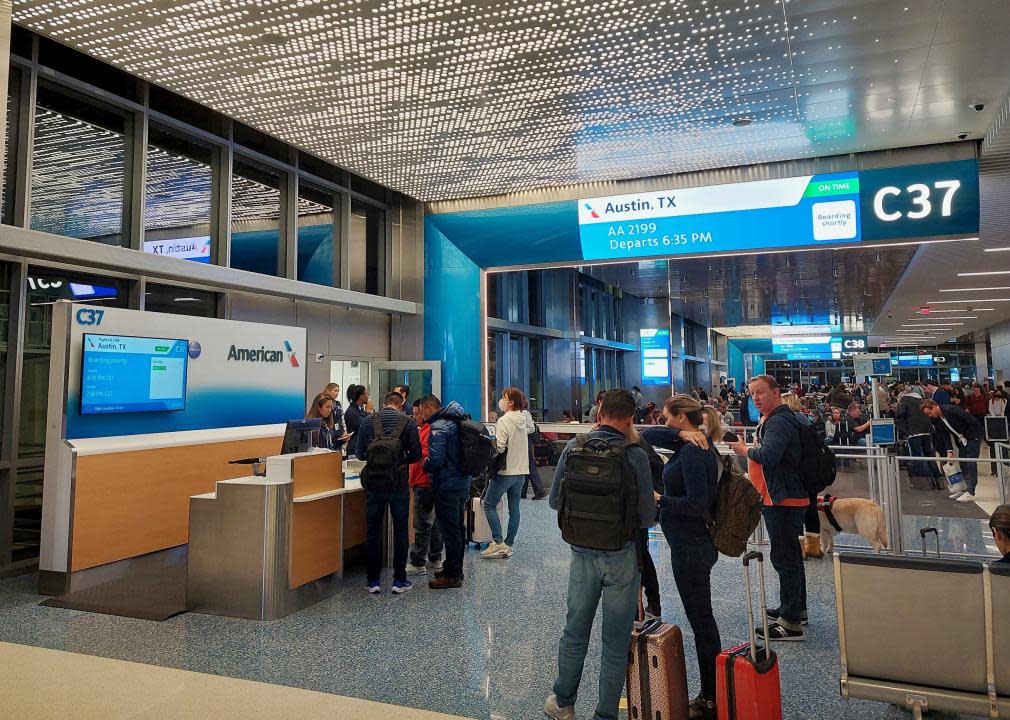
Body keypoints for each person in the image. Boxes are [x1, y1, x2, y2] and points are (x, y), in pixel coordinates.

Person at [545, 390, 657, 720]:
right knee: (615, 641)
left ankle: (563, 702)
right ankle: (605, 714)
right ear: (629, 419)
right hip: (621, 556)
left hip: (581, 553)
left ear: (600, 412)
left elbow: (554, 502)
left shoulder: (573, 446)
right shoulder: (634, 455)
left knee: (575, 631)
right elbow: (647, 517)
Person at [650, 395, 724, 719]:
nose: (664, 424)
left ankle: (710, 695)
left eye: (668, 418)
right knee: (701, 619)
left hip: (692, 545)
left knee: (702, 621)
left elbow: (697, 504)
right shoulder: (689, 443)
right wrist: (679, 434)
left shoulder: (695, 453)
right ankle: (713, 690)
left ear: (681, 416)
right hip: (687, 544)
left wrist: (661, 500)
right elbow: (646, 436)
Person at [730, 375, 808, 641]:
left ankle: (790, 623)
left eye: (760, 393)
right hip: (783, 496)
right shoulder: (778, 419)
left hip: (782, 499)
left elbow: (769, 456)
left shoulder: (779, 421)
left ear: (776, 392)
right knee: (791, 558)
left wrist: (743, 450)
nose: (755, 398)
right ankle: (796, 609)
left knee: (784, 559)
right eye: (752, 394)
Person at [354, 392, 422, 594]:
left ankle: (373, 580)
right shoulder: (408, 423)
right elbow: (416, 455)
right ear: (401, 405)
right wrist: (399, 461)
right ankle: (399, 580)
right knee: (401, 530)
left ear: (384, 404)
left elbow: (359, 454)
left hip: (374, 485)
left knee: (373, 531)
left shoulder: (368, 422)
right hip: (398, 485)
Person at [419, 394, 472, 589]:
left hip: (446, 485)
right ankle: (453, 566)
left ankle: (452, 575)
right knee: (457, 527)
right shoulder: (457, 421)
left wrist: (425, 464)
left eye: (422, 410)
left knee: (450, 531)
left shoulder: (439, 426)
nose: (421, 415)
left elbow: (437, 460)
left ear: (428, 407)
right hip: (461, 482)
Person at [483, 387, 532, 559]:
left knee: (488, 504)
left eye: (504, 397)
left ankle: (497, 542)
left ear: (511, 402)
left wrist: (491, 445)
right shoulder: (523, 418)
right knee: (514, 509)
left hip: (506, 471)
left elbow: (501, 446)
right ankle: (508, 544)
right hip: (521, 471)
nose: (501, 400)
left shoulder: (504, 420)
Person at [406, 399, 443, 577]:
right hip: (428, 481)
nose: (415, 417)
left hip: (424, 481)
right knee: (433, 522)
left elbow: (426, 454)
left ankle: (417, 561)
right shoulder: (431, 428)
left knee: (421, 523)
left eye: (417, 413)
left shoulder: (431, 430)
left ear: (427, 409)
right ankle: (435, 557)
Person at [922, 399, 984, 502]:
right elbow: (945, 435)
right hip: (962, 439)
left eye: (930, 413)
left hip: (973, 436)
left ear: (934, 407)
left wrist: (975, 437)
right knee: (963, 463)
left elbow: (970, 420)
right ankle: (964, 488)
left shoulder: (951, 410)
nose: (930, 416)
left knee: (970, 463)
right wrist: (949, 451)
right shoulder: (938, 420)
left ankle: (971, 491)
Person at [784, 393, 822, 559]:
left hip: (797, 472)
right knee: (811, 509)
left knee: (796, 510)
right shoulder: (805, 420)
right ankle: (814, 546)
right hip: (812, 471)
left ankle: (799, 548)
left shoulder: (789, 421)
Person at [896, 386, 943, 490]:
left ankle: (924, 481)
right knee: (930, 455)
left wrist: (904, 431)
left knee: (917, 457)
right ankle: (938, 481)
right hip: (927, 431)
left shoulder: (904, 400)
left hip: (913, 432)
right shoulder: (922, 400)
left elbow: (900, 416)